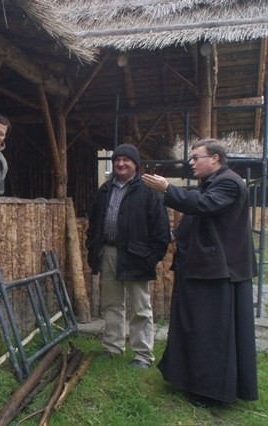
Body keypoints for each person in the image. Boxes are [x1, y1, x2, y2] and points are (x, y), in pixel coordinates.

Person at [142, 139, 258, 406]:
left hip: (218, 272)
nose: (191, 163)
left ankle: (211, 391)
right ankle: (191, 381)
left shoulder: (229, 182)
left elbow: (204, 206)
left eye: (196, 157)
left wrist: (168, 189)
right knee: (195, 327)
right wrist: (174, 235)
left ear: (215, 158)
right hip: (203, 268)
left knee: (211, 332)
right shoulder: (213, 183)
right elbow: (197, 217)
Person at [86, 144, 170, 368]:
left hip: (137, 255)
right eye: (117, 160)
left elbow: (161, 231)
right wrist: (93, 245)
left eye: (126, 160)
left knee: (140, 308)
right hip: (109, 253)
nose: (121, 164)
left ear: (135, 164)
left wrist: (150, 257)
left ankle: (142, 355)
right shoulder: (105, 190)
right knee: (111, 304)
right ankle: (113, 348)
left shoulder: (148, 191)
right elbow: (93, 224)